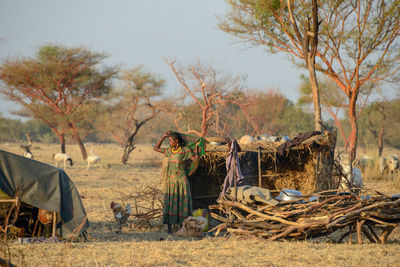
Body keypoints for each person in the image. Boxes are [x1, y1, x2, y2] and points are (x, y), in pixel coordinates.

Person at [153, 130, 200, 234]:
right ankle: (169, 229)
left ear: (177, 141)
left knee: (181, 204)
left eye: (170, 140)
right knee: (169, 204)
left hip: (181, 182)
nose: (169, 142)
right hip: (170, 182)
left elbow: (195, 160)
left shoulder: (185, 151)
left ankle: (181, 228)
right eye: (168, 140)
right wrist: (163, 137)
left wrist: (196, 150)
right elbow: (155, 148)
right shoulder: (169, 151)